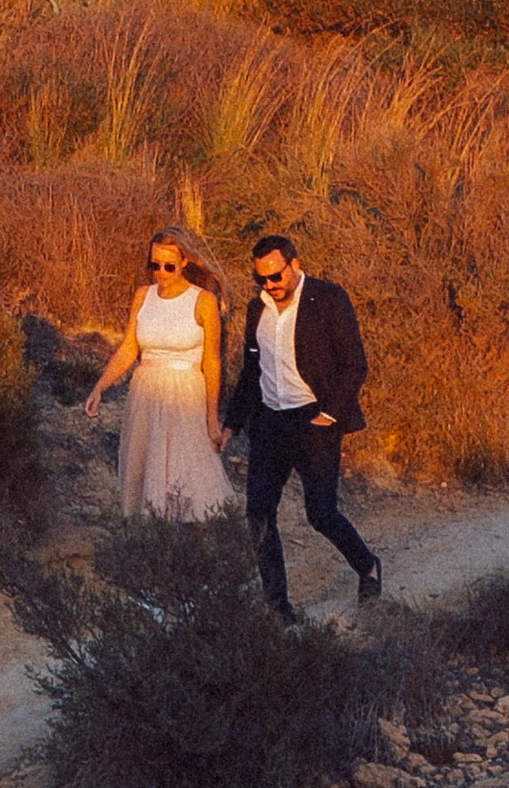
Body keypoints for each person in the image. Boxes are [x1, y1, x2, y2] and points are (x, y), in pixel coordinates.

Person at [221, 232, 381, 620]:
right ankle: (278, 609)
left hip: (313, 420)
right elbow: (251, 371)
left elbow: (354, 364)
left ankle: (368, 566)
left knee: (320, 513)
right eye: (261, 279)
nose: (270, 285)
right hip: (270, 422)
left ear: (294, 265)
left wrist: (328, 414)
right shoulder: (257, 308)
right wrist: (233, 424)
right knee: (258, 514)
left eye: (276, 276)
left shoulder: (328, 299)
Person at [83, 226, 231, 521]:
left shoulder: (203, 301)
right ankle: (152, 548)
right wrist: (100, 387)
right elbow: (129, 348)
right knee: (146, 472)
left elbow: (212, 362)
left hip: (185, 396)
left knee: (189, 477)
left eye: (168, 265)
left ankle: (198, 556)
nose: (160, 272)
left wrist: (212, 420)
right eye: (154, 265)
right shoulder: (143, 296)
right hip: (146, 394)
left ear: (184, 262)